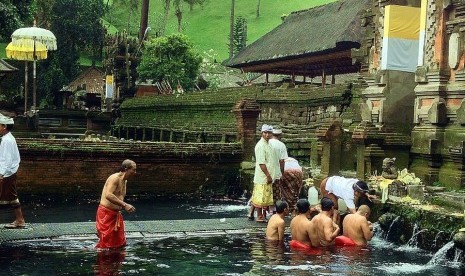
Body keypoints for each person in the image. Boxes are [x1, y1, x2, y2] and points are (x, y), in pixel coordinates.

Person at [96, 159, 137, 249]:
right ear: (126, 169)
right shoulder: (114, 178)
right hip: (106, 214)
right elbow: (108, 195)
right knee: (106, 245)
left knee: (120, 243)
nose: (135, 172)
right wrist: (125, 205)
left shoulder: (124, 181)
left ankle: (117, 262)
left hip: (115, 215)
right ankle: (104, 262)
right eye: (133, 169)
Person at [0, 114, 26, 229]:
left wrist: (1, 173)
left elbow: (7, 159)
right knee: (11, 196)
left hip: (7, 172)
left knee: (12, 196)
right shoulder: (8, 138)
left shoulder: (7, 140)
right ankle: (20, 220)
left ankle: (20, 220)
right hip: (9, 171)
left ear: (4, 126)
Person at [248, 124, 275, 223]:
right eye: (265, 133)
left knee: (258, 195)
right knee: (261, 197)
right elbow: (261, 163)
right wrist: (268, 175)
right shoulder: (260, 145)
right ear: (262, 133)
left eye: (269, 133)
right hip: (263, 175)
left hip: (266, 174)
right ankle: (259, 216)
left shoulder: (268, 144)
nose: (267, 135)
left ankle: (251, 213)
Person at [268, 128, 288, 213]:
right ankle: (274, 211)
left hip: (265, 173)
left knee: (265, 193)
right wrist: (282, 173)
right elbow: (282, 161)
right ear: (280, 135)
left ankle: (262, 213)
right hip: (276, 174)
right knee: (276, 194)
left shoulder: (266, 143)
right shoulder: (281, 145)